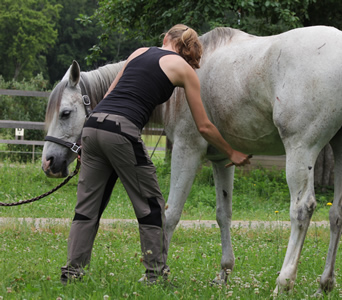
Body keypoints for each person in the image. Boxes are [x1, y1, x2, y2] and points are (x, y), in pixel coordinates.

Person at [60, 24, 252, 284]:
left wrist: (87, 143)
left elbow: (107, 95)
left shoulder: (138, 52)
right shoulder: (184, 69)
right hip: (122, 131)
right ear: (190, 51)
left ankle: (72, 272)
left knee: (87, 208)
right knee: (152, 206)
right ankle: (155, 275)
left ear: (165, 39)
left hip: (93, 127)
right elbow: (204, 126)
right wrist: (232, 152)